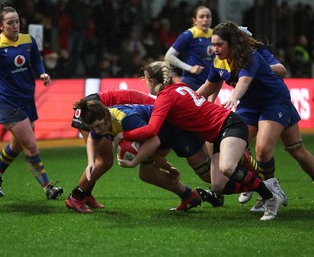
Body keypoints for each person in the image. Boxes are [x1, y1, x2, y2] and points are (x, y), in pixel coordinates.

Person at [114, 61, 287, 221]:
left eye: (145, 80)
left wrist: (125, 135)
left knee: (227, 168)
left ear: (151, 81)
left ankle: (270, 198)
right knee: (218, 186)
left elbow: (152, 129)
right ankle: (267, 185)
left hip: (229, 124)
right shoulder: (180, 87)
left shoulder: (165, 97)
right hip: (219, 131)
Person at [196, 21, 314, 212]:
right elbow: (209, 85)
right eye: (214, 44)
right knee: (232, 143)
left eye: (219, 44)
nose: (215, 48)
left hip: (275, 102)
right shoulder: (219, 60)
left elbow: (244, 82)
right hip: (249, 106)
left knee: (285, 150)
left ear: (232, 42)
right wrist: (189, 99)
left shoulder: (250, 56)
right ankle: (262, 189)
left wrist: (233, 99)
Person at [0, 3, 63, 199]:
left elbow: (36, 59)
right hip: (8, 101)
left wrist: (42, 73)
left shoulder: (28, 41)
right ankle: (47, 187)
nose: (15, 26)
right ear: (0, 26)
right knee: (31, 146)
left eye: (17, 22)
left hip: (27, 99)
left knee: (17, 145)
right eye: (10, 23)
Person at [67, 99, 205, 213]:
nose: (97, 131)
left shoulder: (126, 119)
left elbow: (154, 141)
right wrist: (91, 162)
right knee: (147, 174)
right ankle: (190, 196)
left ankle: (198, 193)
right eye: (93, 128)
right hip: (159, 135)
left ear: (105, 115)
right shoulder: (103, 120)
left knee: (207, 174)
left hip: (171, 130)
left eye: (98, 126)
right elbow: (92, 139)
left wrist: (134, 163)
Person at [164, 5, 216, 102]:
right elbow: (168, 56)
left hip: (209, 84)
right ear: (194, 20)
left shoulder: (215, 35)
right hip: (191, 83)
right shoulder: (188, 35)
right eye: (201, 17)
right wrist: (190, 68)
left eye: (208, 16)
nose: (205, 20)